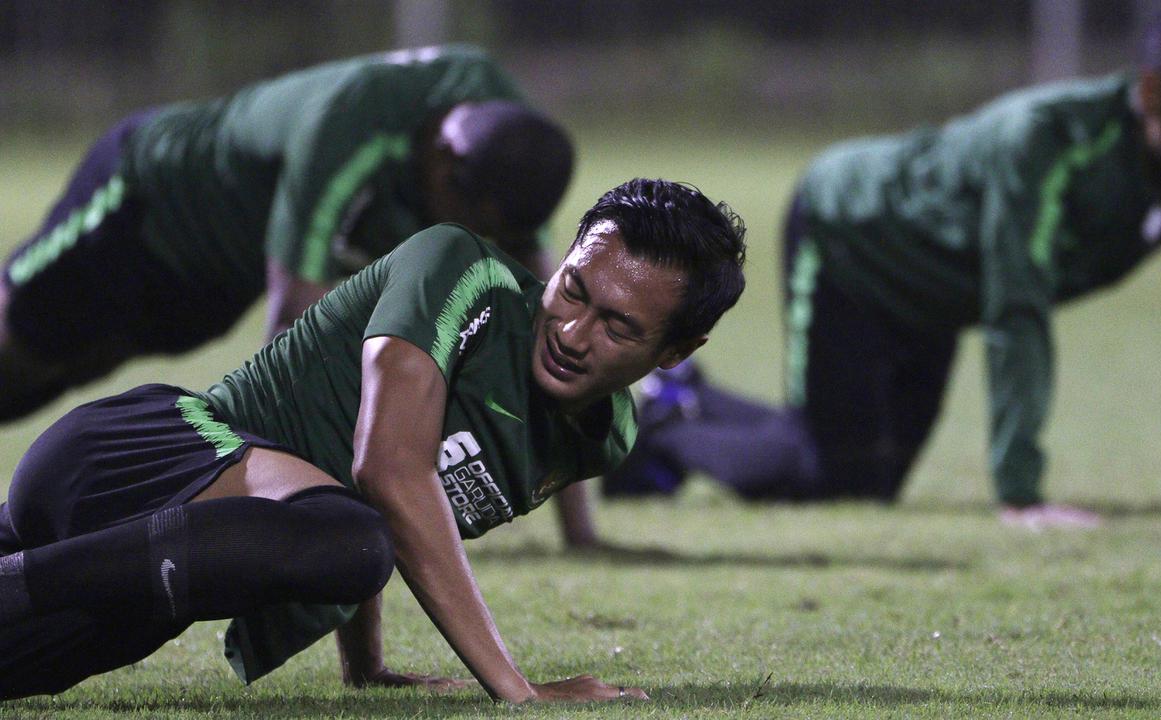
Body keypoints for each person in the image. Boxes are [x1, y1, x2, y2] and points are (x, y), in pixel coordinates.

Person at [0, 178, 748, 701]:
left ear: (675, 353)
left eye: (619, 326)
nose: (574, 332)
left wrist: (369, 668)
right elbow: (388, 470)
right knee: (352, 542)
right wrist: (519, 693)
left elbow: (388, 509)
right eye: (573, 290)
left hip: (153, 575)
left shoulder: (598, 439)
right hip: (145, 452)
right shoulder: (461, 272)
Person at [608, 5, 1161, 528]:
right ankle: (667, 425)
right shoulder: (1048, 141)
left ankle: (688, 396)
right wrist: (1022, 496)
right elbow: (1018, 308)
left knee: (873, 484)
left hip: (935, 298)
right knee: (828, 481)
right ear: (1155, 92)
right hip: (851, 236)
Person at [0, 44, 572, 422]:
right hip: (148, 198)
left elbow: (544, 319)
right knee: (23, 338)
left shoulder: (506, 151)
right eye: (474, 219)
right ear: (445, 159)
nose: (474, 235)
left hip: (221, 276)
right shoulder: (352, 128)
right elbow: (295, 331)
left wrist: (579, 531)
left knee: (79, 361)